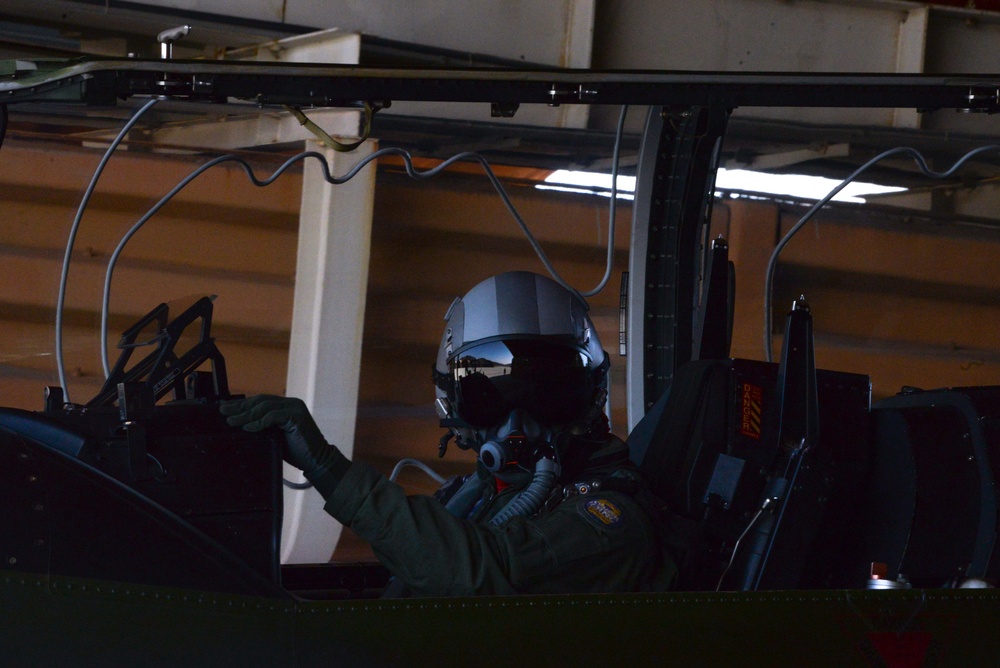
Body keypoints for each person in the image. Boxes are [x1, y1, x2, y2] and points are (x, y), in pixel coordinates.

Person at [221, 271, 676, 596]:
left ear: (588, 396)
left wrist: (328, 468)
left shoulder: (610, 521)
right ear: (453, 404)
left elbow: (484, 572)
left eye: (547, 393)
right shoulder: (476, 497)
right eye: (489, 396)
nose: (517, 422)